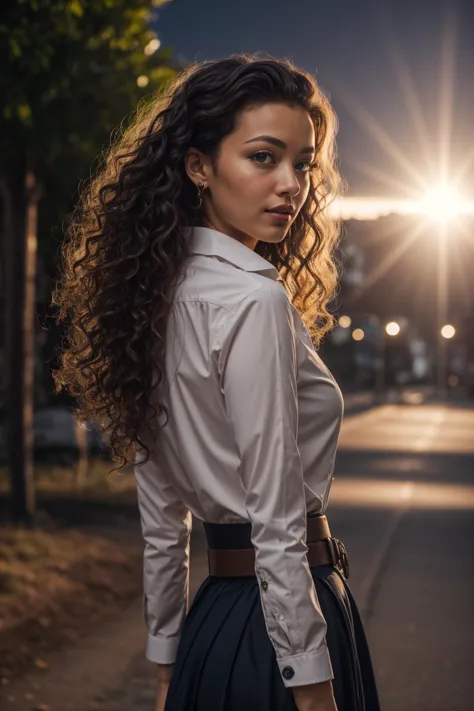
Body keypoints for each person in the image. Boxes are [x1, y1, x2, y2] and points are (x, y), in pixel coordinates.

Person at [51, 53, 381, 711]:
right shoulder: (253, 302)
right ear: (199, 166)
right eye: (264, 157)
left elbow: (162, 517)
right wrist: (312, 681)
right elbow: (278, 519)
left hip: (214, 629)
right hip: (282, 631)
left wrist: (167, 653)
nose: (292, 185)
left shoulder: (151, 299)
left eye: (303, 163)